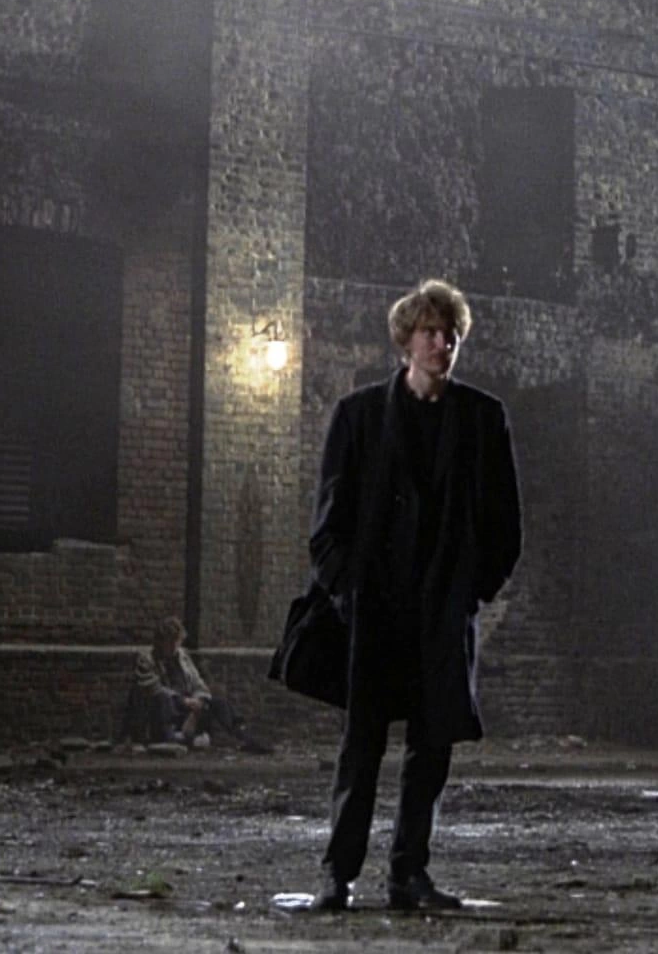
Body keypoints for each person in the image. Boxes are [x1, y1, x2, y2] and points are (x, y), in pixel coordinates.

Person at [306, 278, 522, 912]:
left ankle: (409, 875)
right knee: (362, 745)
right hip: (376, 607)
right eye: (430, 332)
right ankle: (338, 875)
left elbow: (506, 524)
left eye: (450, 334)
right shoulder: (359, 416)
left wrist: (472, 593)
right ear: (406, 340)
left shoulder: (482, 418)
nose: (442, 343)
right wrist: (348, 594)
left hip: (442, 609)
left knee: (432, 747)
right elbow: (328, 524)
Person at [132, 615, 271, 753]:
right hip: (167, 708)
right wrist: (183, 700)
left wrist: (199, 699)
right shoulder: (147, 659)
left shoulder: (182, 657)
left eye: (177, 641)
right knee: (163, 700)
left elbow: (198, 682)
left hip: (188, 707)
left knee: (219, 703)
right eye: (170, 642)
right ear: (161, 642)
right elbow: (152, 688)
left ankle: (244, 737)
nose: (174, 646)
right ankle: (170, 740)